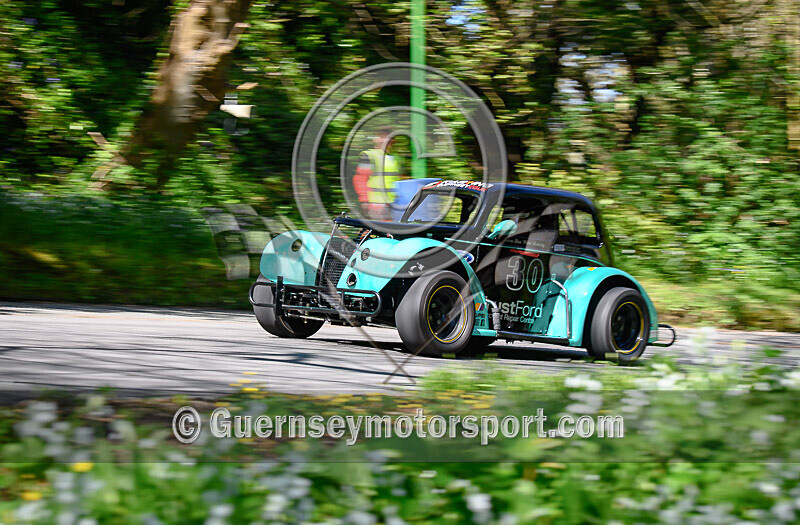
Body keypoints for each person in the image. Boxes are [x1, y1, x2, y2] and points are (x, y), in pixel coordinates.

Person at [353, 127, 401, 220]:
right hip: (375, 204)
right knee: (375, 231)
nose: (385, 140)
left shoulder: (394, 158)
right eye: (381, 136)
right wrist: (365, 201)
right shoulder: (369, 156)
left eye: (388, 137)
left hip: (391, 205)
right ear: (375, 139)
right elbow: (360, 179)